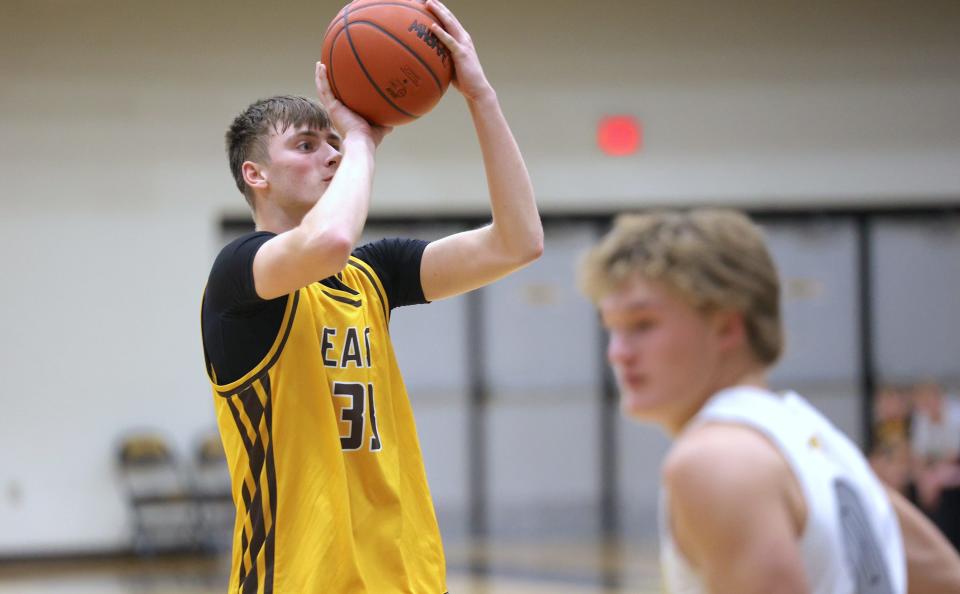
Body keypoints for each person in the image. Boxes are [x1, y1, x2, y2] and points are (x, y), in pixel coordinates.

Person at [200, 1, 542, 591]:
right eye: (307, 145)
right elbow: (329, 239)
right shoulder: (238, 275)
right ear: (255, 175)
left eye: (334, 143)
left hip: (403, 575)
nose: (332, 154)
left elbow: (519, 242)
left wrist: (480, 96)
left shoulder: (371, 276)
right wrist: (360, 137)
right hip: (296, 579)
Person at [577, 209, 960, 593]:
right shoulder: (816, 440)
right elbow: (948, 579)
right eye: (612, 328)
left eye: (642, 324)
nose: (617, 353)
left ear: (727, 326)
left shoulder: (717, 460)